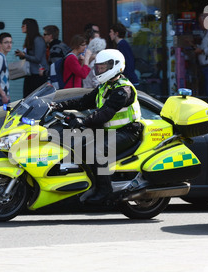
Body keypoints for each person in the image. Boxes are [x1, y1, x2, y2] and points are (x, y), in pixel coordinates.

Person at [54, 49, 142, 203]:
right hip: (111, 131)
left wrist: (83, 121)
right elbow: (83, 102)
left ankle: (105, 190)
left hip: (127, 132)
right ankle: (92, 185)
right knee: (78, 144)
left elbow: (105, 113)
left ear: (115, 66)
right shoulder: (104, 86)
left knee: (96, 152)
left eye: (103, 67)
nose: (99, 70)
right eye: (98, 67)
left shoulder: (123, 90)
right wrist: (56, 106)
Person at [15, 18, 48, 96]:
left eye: (23, 25)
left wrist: (24, 55)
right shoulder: (29, 39)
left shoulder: (38, 39)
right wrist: (22, 55)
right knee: (27, 97)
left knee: (35, 98)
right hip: (30, 73)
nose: (21, 27)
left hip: (38, 74)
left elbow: (38, 58)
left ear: (29, 26)